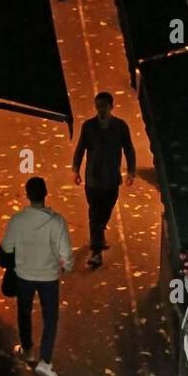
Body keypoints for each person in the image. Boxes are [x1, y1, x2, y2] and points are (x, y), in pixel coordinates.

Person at [0, 175, 72, 376]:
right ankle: (46, 361)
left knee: (24, 312)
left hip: (24, 275)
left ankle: (27, 349)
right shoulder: (57, 222)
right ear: (45, 195)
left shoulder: (18, 220)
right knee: (51, 318)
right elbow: (66, 253)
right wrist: (66, 266)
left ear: (28, 195)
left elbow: (7, 248)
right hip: (49, 276)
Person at [72, 91, 136, 268]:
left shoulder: (120, 126)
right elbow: (80, 149)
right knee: (94, 213)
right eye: (98, 106)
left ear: (111, 106)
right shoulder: (88, 126)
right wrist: (75, 169)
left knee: (105, 211)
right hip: (93, 178)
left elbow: (129, 149)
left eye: (104, 105)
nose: (100, 109)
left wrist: (131, 171)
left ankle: (99, 234)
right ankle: (96, 251)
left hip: (112, 179)